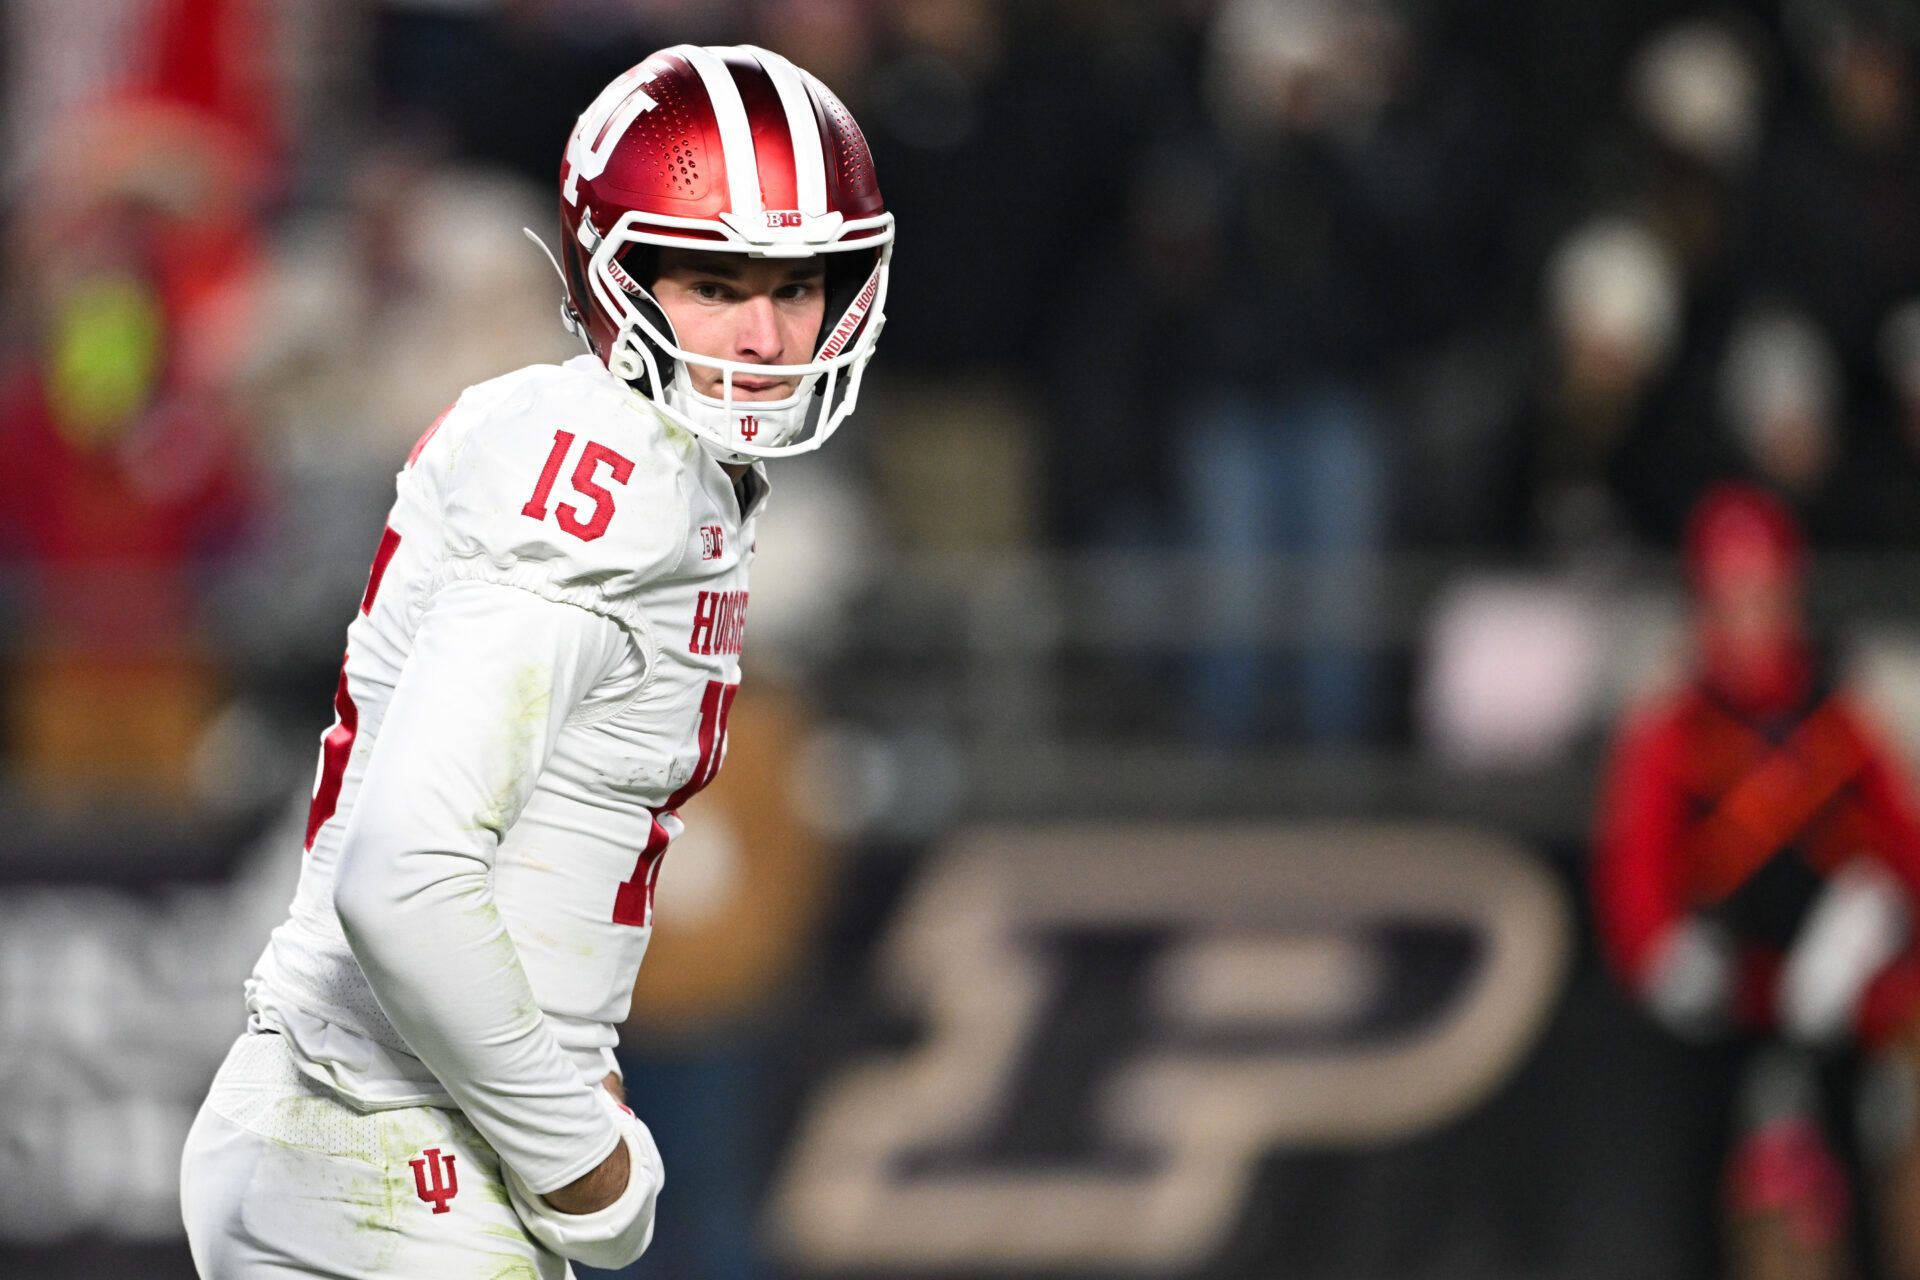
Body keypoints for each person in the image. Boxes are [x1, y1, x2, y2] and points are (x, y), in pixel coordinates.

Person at [178, 43, 892, 1277]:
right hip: (398, 1150)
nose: (769, 335)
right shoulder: (611, 480)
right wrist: (584, 1158)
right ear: (617, 279)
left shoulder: (643, 456)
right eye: (717, 282)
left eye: (801, 282)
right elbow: (404, 874)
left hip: (374, 1131)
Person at [1593, 483, 1920, 1280]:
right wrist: (1659, 951)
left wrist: (1874, 930)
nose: (1746, 620)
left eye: (1761, 595)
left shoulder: (1842, 709)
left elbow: (1903, 849)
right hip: (1721, 1003)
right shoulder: (1672, 723)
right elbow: (1633, 860)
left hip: (1834, 1001)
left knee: (1864, 1173)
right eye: (1727, 598)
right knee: (1697, 1181)